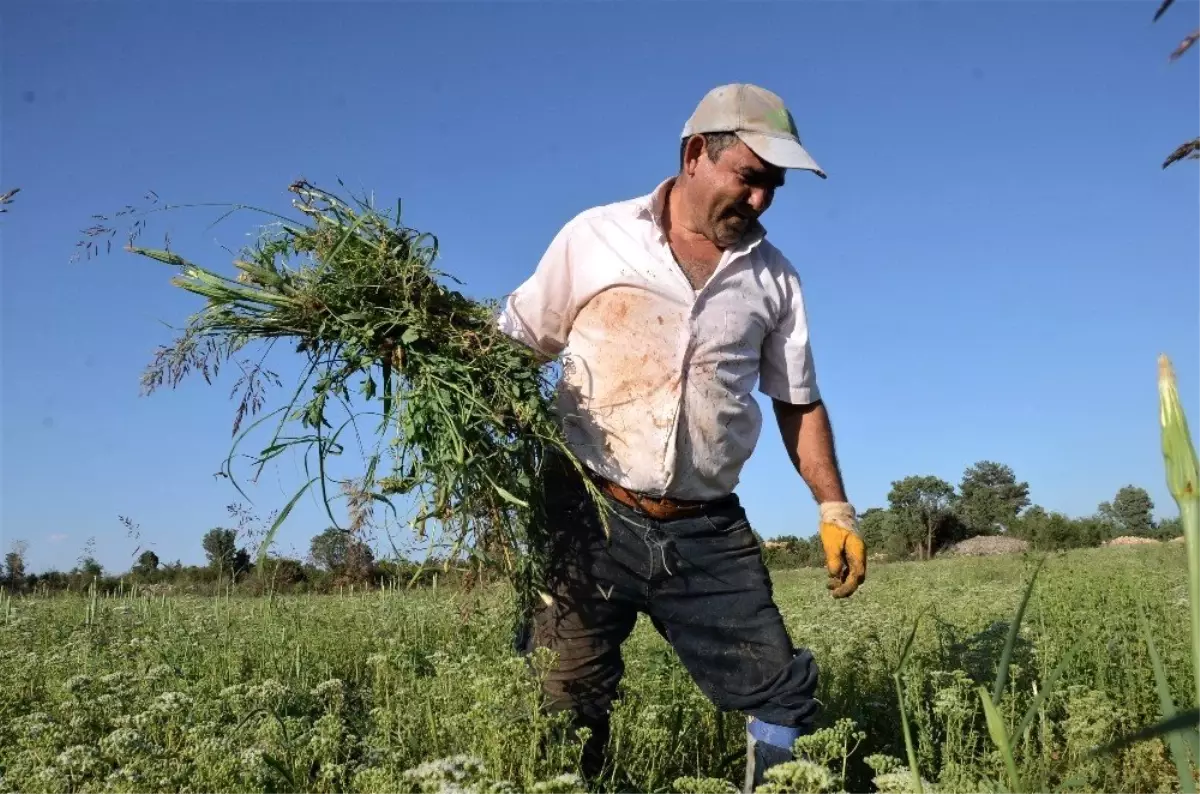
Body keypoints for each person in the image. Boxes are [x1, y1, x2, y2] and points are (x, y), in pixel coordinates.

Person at [496, 83, 867, 792]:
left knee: (780, 691)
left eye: (773, 188)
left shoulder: (774, 279)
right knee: (561, 698)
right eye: (750, 179)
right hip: (587, 512)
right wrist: (428, 346)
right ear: (697, 154)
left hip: (704, 529)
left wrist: (833, 508)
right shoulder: (595, 237)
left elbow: (798, 402)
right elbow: (517, 343)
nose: (760, 201)